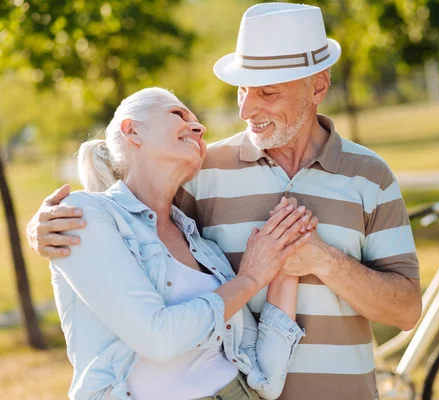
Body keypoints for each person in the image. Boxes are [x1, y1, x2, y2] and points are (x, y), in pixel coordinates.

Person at [27, 3, 422, 400]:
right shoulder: (202, 171)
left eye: (267, 92)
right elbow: (132, 216)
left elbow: (405, 312)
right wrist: (46, 229)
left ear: (317, 86)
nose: (246, 110)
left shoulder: (370, 176)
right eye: (243, 90)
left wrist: (323, 260)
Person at [42, 86, 319, 400]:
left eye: (198, 124)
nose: (199, 128)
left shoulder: (205, 249)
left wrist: (284, 259)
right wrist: (251, 279)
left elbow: (266, 379)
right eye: (178, 114)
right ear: (131, 130)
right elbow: (158, 338)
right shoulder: (84, 215)